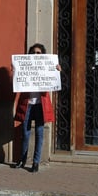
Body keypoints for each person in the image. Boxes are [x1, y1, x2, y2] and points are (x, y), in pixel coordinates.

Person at [14, 43, 61, 172]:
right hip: (27, 104)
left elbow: (54, 81)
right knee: (25, 132)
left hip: (41, 105)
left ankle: (36, 162)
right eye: (34, 52)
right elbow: (18, 81)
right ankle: (22, 160)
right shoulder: (25, 67)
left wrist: (57, 71)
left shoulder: (47, 67)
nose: (36, 55)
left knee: (40, 133)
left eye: (38, 53)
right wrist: (16, 71)